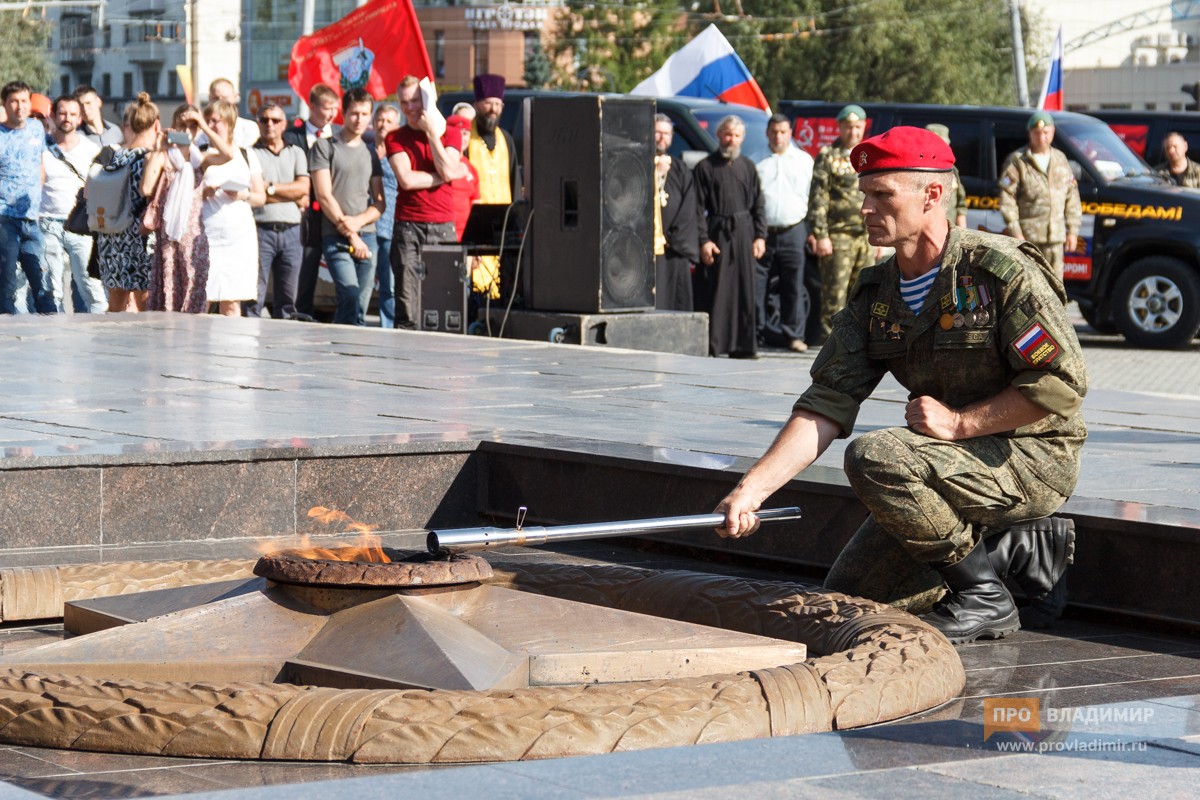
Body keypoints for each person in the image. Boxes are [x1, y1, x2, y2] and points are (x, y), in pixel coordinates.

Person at [716, 126, 1087, 644]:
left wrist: (960, 423)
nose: (866, 207)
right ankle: (1017, 548)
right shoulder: (877, 291)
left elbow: (1059, 385)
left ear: (931, 195)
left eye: (882, 194)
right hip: (945, 462)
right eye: (863, 193)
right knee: (854, 598)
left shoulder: (999, 273)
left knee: (876, 455)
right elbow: (828, 401)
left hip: (1030, 456)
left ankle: (983, 595)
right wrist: (750, 491)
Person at [385, 74, 466, 329]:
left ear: (428, 100)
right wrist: (443, 175)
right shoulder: (395, 137)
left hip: (443, 225)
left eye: (415, 101)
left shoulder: (451, 134)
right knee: (407, 301)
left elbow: (450, 168)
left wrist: (432, 134)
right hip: (408, 226)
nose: (409, 108)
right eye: (403, 102)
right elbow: (407, 180)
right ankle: (404, 356)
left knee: (445, 298)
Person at [693, 115, 766, 358]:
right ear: (718, 136)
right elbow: (696, 209)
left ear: (741, 138)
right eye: (727, 134)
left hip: (745, 234)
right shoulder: (705, 167)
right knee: (719, 290)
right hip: (718, 234)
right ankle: (717, 344)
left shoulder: (748, 166)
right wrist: (704, 240)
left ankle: (744, 346)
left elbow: (759, 205)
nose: (731, 140)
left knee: (745, 290)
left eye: (736, 136)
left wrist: (760, 236)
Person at [311, 88, 385, 326]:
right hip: (336, 236)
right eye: (354, 113)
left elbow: (379, 202)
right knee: (349, 296)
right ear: (343, 112)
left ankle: (356, 358)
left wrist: (359, 222)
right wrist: (352, 233)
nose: (360, 119)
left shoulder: (371, 152)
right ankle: (341, 352)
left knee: (361, 307)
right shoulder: (324, 146)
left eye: (365, 114)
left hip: (368, 236)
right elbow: (324, 195)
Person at [194, 100, 266, 316]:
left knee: (232, 300)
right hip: (208, 232)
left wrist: (241, 194)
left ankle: (231, 346)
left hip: (238, 234)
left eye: (216, 121)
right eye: (207, 121)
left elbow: (260, 196)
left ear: (229, 123)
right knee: (202, 297)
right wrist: (202, 193)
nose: (211, 125)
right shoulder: (201, 153)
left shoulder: (246, 154)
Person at [807, 104, 872, 343]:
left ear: (864, 127)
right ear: (840, 128)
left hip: (866, 236)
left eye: (857, 127)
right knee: (834, 295)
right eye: (848, 127)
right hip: (838, 236)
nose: (853, 132)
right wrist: (821, 234)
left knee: (863, 293)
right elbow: (818, 198)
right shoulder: (828, 155)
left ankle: (856, 344)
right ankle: (831, 347)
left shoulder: (868, 155)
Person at [93, 92, 161, 313]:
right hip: (141, 238)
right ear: (157, 124)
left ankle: (112, 346)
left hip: (111, 234)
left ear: (129, 125)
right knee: (145, 307)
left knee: (115, 305)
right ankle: (145, 348)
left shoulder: (113, 156)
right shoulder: (151, 158)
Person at [40, 94, 106, 313]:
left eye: (72, 114)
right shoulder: (42, 147)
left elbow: (101, 188)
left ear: (79, 119)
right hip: (48, 223)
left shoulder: (91, 150)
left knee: (91, 286)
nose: (67, 118)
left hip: (80, 225)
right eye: (62, 113)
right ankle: (54, 339)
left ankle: (101, 336)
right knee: (52, 289)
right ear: (53, 116)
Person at [998, 111, 1082, 281]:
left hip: (1056, 238)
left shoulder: (1060, 159)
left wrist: (1072, 231)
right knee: (1029, 286)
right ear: (1030, 133)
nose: (1041, 137)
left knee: (1055, 286)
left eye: (1046, 133)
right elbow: (1007, 198)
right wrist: (1016, 233)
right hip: (1029, 238)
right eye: (1037, 133)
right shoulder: (1018, 161)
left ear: (1052, 133)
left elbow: (1072, 196)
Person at [755, 113, 814, 352]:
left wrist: (811, 231)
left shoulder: (804, 161)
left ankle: (794, 336)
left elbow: (813, 198)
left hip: (794, 229)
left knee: (793, 285)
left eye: (783, 131)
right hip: (763, 232)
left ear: (790, 133)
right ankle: (756, 334)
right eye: (774, 132)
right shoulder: (756, 160)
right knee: (758, 286)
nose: (778, 136)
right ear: (767, 133)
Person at [143, 103, 209, 313]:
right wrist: (158, 147)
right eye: (183, 126)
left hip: (193, 236)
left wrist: (204, 126)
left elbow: (228, 154)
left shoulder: (200, 158)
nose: (187, 132)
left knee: (193, 288)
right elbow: (145, 188)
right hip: (169, 236)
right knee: (168, 293)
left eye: (193, 127)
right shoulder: (164, 155)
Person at [283, 83, 340, 320]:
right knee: (303, 269)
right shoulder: (291, 136)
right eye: (326, 108)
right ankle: (300, 314)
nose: (331, 114)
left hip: (332, 212)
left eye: (334, 109)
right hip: (303, 214)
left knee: (334, 270)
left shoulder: (338, 136)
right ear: (312, 106)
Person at [0, 81, 55, 315]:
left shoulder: (36, 128)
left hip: (32, 219)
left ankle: (52, 328)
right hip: (5, 219)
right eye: (14, 101)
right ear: (4, 104)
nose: (20, 107)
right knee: (7, 283)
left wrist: (36, 194)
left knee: (42, 281)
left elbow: (39, 164)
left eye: (24, 101)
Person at [251, 102, 310, 319]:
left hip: (292, 232)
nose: (270, 124)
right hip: (260, 230)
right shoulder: (250, 154)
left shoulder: (296, 152)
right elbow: (255, 195)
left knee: (287, 300)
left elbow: (304, 189)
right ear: (258, 123)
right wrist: (290, 194)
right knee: (253, 295)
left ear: (284, 124)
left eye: (275, 120)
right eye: (264, 119)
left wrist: (270, 188)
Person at [466, 74, 519, 301]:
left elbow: (515, 180)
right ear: (477, 104)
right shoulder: (465, 137)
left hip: (503, 223)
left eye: (497, 104)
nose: (493, 109)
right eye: (488, 102)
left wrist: (517, 219)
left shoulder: (506, 139)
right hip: (473, 222)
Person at [652, 113, 698, 312]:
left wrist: (674, 237)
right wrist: (657, 174)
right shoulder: (637, 164)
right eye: (658, 132)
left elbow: (689, 206)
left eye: (667, 133)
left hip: (673, 248)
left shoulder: (680, 168)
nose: (662, 138)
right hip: (647, 248)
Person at [371, 103, 400, 328]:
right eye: (380, 119)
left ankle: (388, 328)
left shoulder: (400, 153)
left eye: (388, 121)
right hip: (368, 226)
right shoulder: (365, 150)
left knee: (389, 284)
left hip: (391, 227)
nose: (383, 125)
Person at [925, 124, 967, 227]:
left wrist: (962, 234)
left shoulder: (951, 169)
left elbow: (960, 205)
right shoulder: (917, 170)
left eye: (944, 145)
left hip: (947, 233)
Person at [446, 114, 479, 240]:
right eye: (457, 132)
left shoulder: (472, 168)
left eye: (465, 133)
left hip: (467, 238)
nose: (461, 137)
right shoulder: (439, 163)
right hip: (443, 235)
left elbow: (475, 206)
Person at [202, 79, 259, 149]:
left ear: (234, 97)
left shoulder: (249, 128)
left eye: (224, 98)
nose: (220, 102)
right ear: (209, 99)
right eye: (216, 99)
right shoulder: (202, 133)